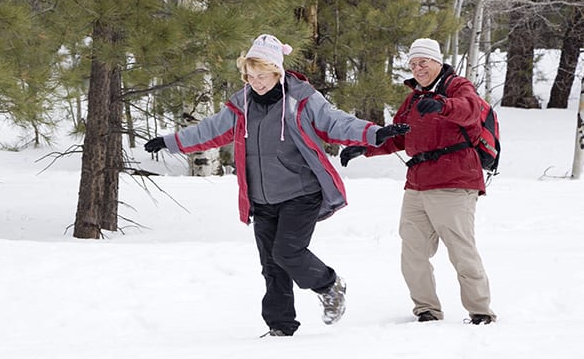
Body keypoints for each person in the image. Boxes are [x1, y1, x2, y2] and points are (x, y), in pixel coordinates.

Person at [144, 34, 410, 337]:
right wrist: (170, 142)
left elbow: (335, 122)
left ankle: (329, 284)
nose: (257, 82)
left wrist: (374, 133)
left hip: (301, 193)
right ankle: (280, 327)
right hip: (262, 199)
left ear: (277, 72)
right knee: (271, 265)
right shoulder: (241, 106)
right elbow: (210, 131)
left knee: (287, 252)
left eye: (263, 75)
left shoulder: (301, 98)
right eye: (251, 76)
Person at [340, 38, 497, 325]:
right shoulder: (413, 99)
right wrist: (365, 147)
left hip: (454, 181)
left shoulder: (458, 87)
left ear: (438, 61)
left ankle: (480, 311)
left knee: (461, 250)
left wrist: (442, 106)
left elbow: (470, 111)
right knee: (412, 251)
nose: (418, 68)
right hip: (416, 185)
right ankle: (427, 310)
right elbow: (398, 136)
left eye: (423, 62)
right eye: (413, 64)